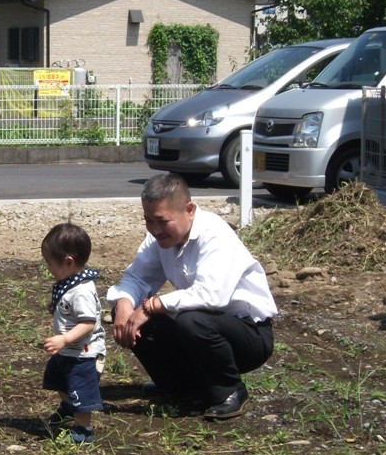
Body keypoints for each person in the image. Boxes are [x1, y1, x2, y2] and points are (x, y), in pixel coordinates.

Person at [107, 173, 276, 419]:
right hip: (204, 327)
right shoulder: (159, 238)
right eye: (148, 221)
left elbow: (211, 296)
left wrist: (151, 305)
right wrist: (124, 304)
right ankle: (181, 387)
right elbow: (138, 278)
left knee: (191, 319)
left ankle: (230, 391)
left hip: (249, 333)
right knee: (132, 311)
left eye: (162, 221)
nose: (155, 230)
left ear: (189, 210)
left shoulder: (214, 234)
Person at [40, 223, 106, 444]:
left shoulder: (81, 290)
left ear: (68, 261)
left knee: (81, 391)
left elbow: (87, 322)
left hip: (83, 354)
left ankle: (83, 430)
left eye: (50, 263)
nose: (48, 268)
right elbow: (69, 308)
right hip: (68, 351)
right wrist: (55, 306)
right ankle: (68, 405)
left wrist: (65, 338)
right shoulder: (69, 283)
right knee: (56, 378)